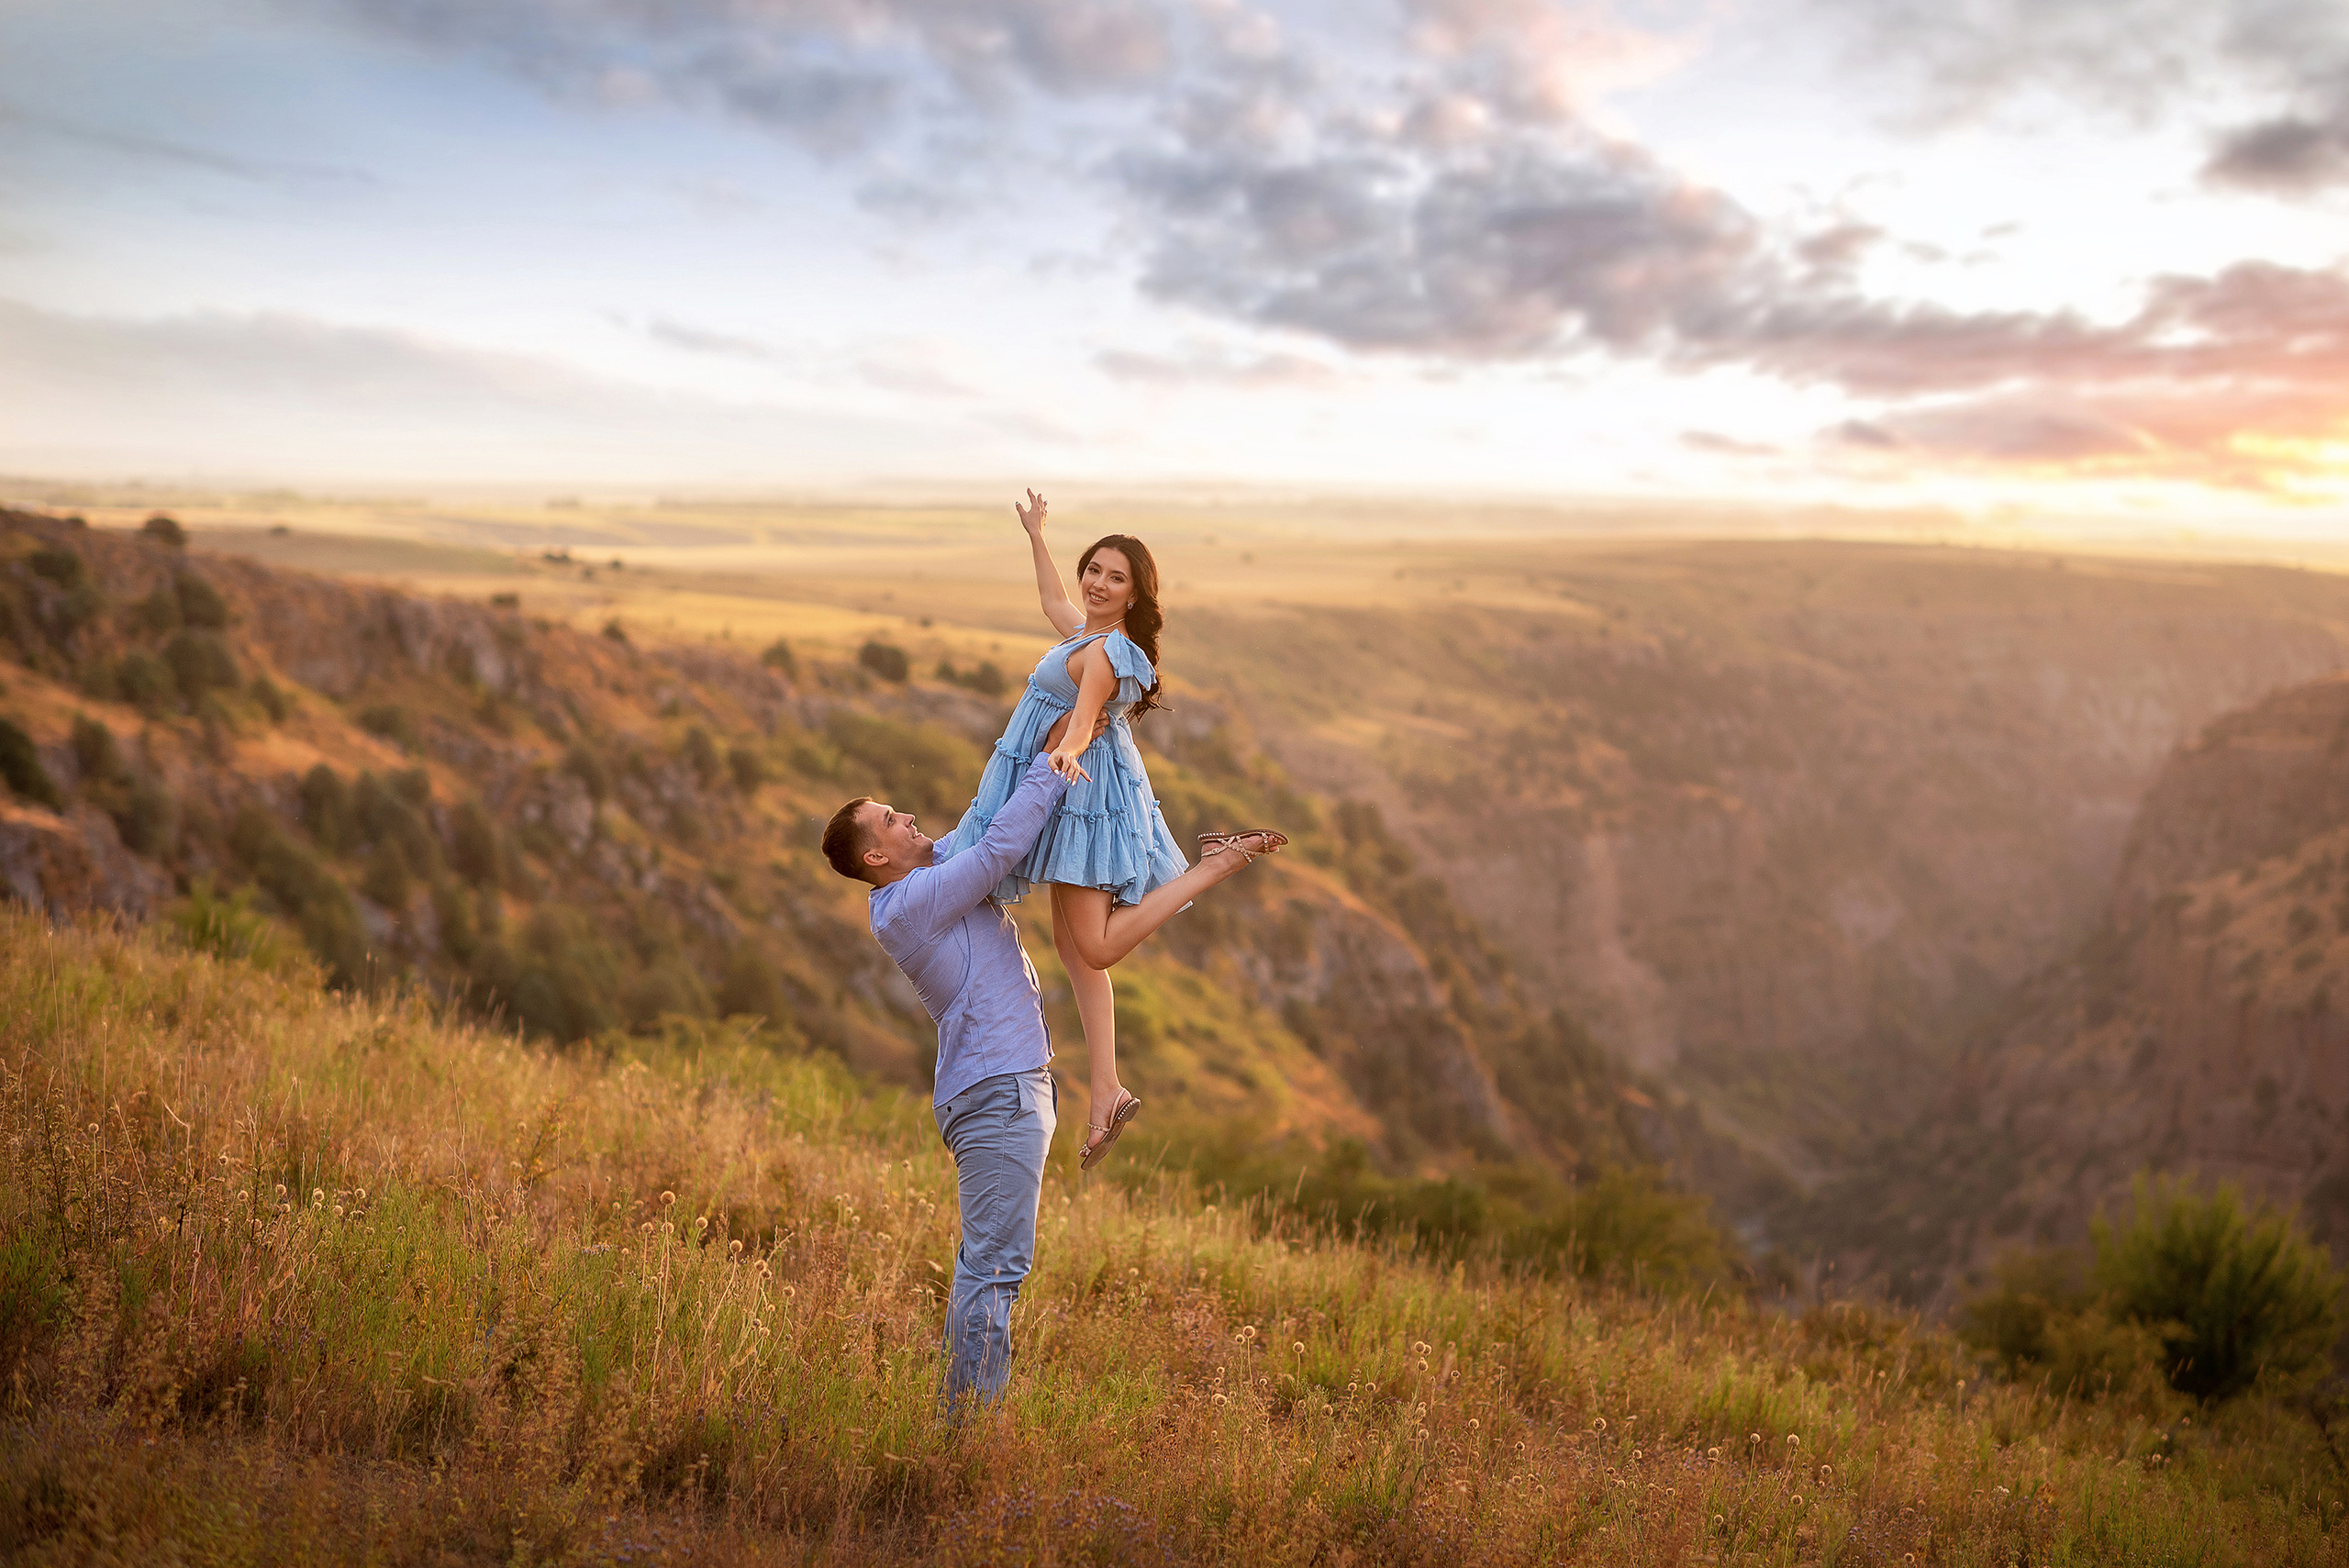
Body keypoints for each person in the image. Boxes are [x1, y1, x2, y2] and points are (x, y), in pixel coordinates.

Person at [821, 740, 1277, 1415]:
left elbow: (983, 820)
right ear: (875, 857)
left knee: (987, 1264)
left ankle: (962, 1421)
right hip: (997, 1095)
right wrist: (1053, 765)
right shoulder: (910, 902)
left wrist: (1050, 734)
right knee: (994, 1269)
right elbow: (997, 850)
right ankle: (968, 1432)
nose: (908, 816)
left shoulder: (921, 882)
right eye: (890, 818)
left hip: (1001, 1092)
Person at [943, 489, 1286, 1169]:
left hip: (1084, 801)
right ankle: (1107, 1090)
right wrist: (1036, 534)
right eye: (1093, 569)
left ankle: (1212, 865)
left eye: (1115, 576)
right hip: (1083, 794)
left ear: (1135, 595)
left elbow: (1084, 714)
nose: (1098, 582)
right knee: (1077, 958)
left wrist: (1065, 751)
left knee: (1093, 950)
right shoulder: (1085, 633)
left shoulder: (1105, 652)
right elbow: (1051, 601)